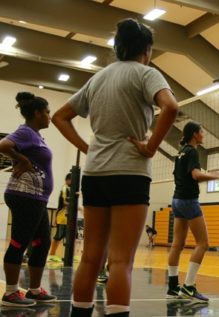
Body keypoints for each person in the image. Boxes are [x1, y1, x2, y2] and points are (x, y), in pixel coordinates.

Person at [52, 18, 178, 317]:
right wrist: (151, 146)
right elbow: (171, 107)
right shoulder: (147, 73)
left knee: (90, 259)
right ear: (147, 49)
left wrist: (88, 148)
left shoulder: (98, 78)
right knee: (121, 261)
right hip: (130, 173)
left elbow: (60, 116)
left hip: (95, 174)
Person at [0, 92, 57, 307]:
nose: (49, 116)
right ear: (37, 113)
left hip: (37, 198)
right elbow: (3, 145)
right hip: (25, 196)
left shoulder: (34, 135)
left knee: (42, 243)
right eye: (47, 112)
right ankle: (11, 293)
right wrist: (22, 159)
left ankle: (34, 290)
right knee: (19, 242)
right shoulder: (25, 131)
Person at [167, 121, 219, 302]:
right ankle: (189, 286)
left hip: (176, 200)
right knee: (203, 243)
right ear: (194, 135)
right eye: (202, 132)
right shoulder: (192, 151)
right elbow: (196, 175)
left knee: (177, 244)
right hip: (188, 201)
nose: (203, 135)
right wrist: (213, 176)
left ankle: (173, 286)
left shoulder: (180, 152)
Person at [48, 173, 72, 262]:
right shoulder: (65, 188)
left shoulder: (70, 189)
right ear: (68, 180)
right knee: (58, 236)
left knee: (67, 237)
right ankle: (51, 254)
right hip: (63, 216)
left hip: (68, 217)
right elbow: (65, 202)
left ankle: (64, 256)